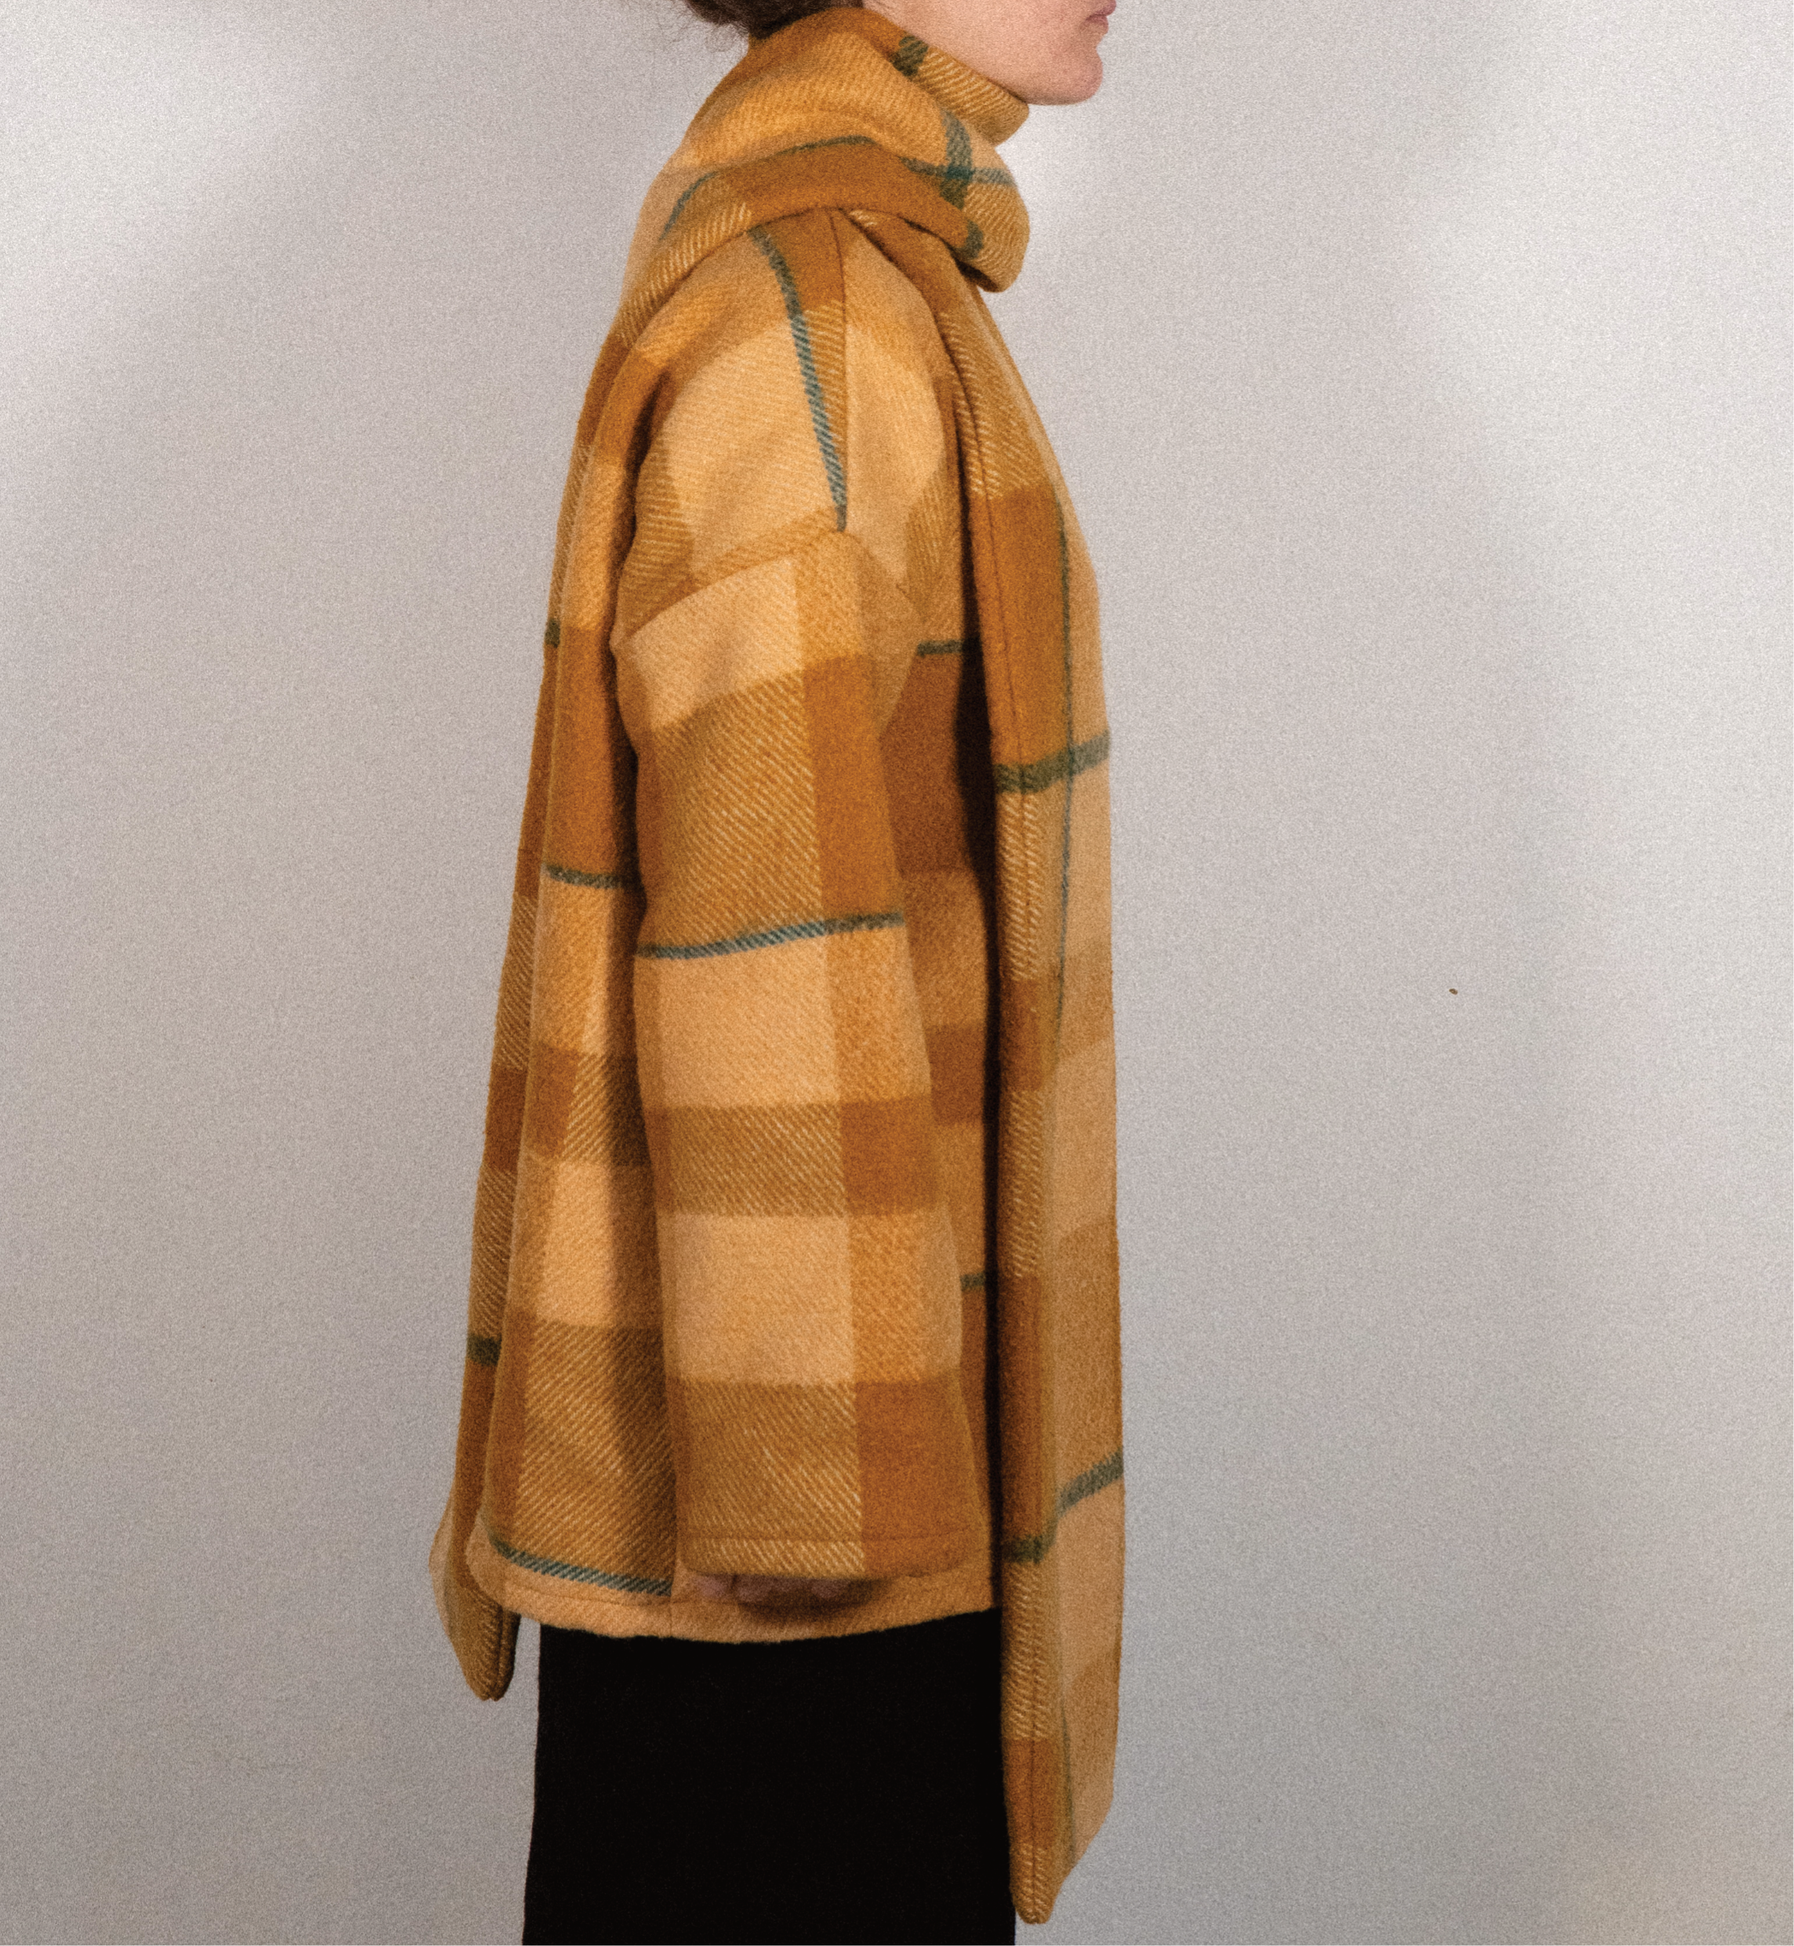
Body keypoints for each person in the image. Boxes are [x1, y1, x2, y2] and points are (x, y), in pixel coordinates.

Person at [428, 1, 1126, 1938]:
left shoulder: (848, 270)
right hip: (804, 1523)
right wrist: (823, 1507)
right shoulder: (814, 314)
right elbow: (763, 926)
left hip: (815, 1458)